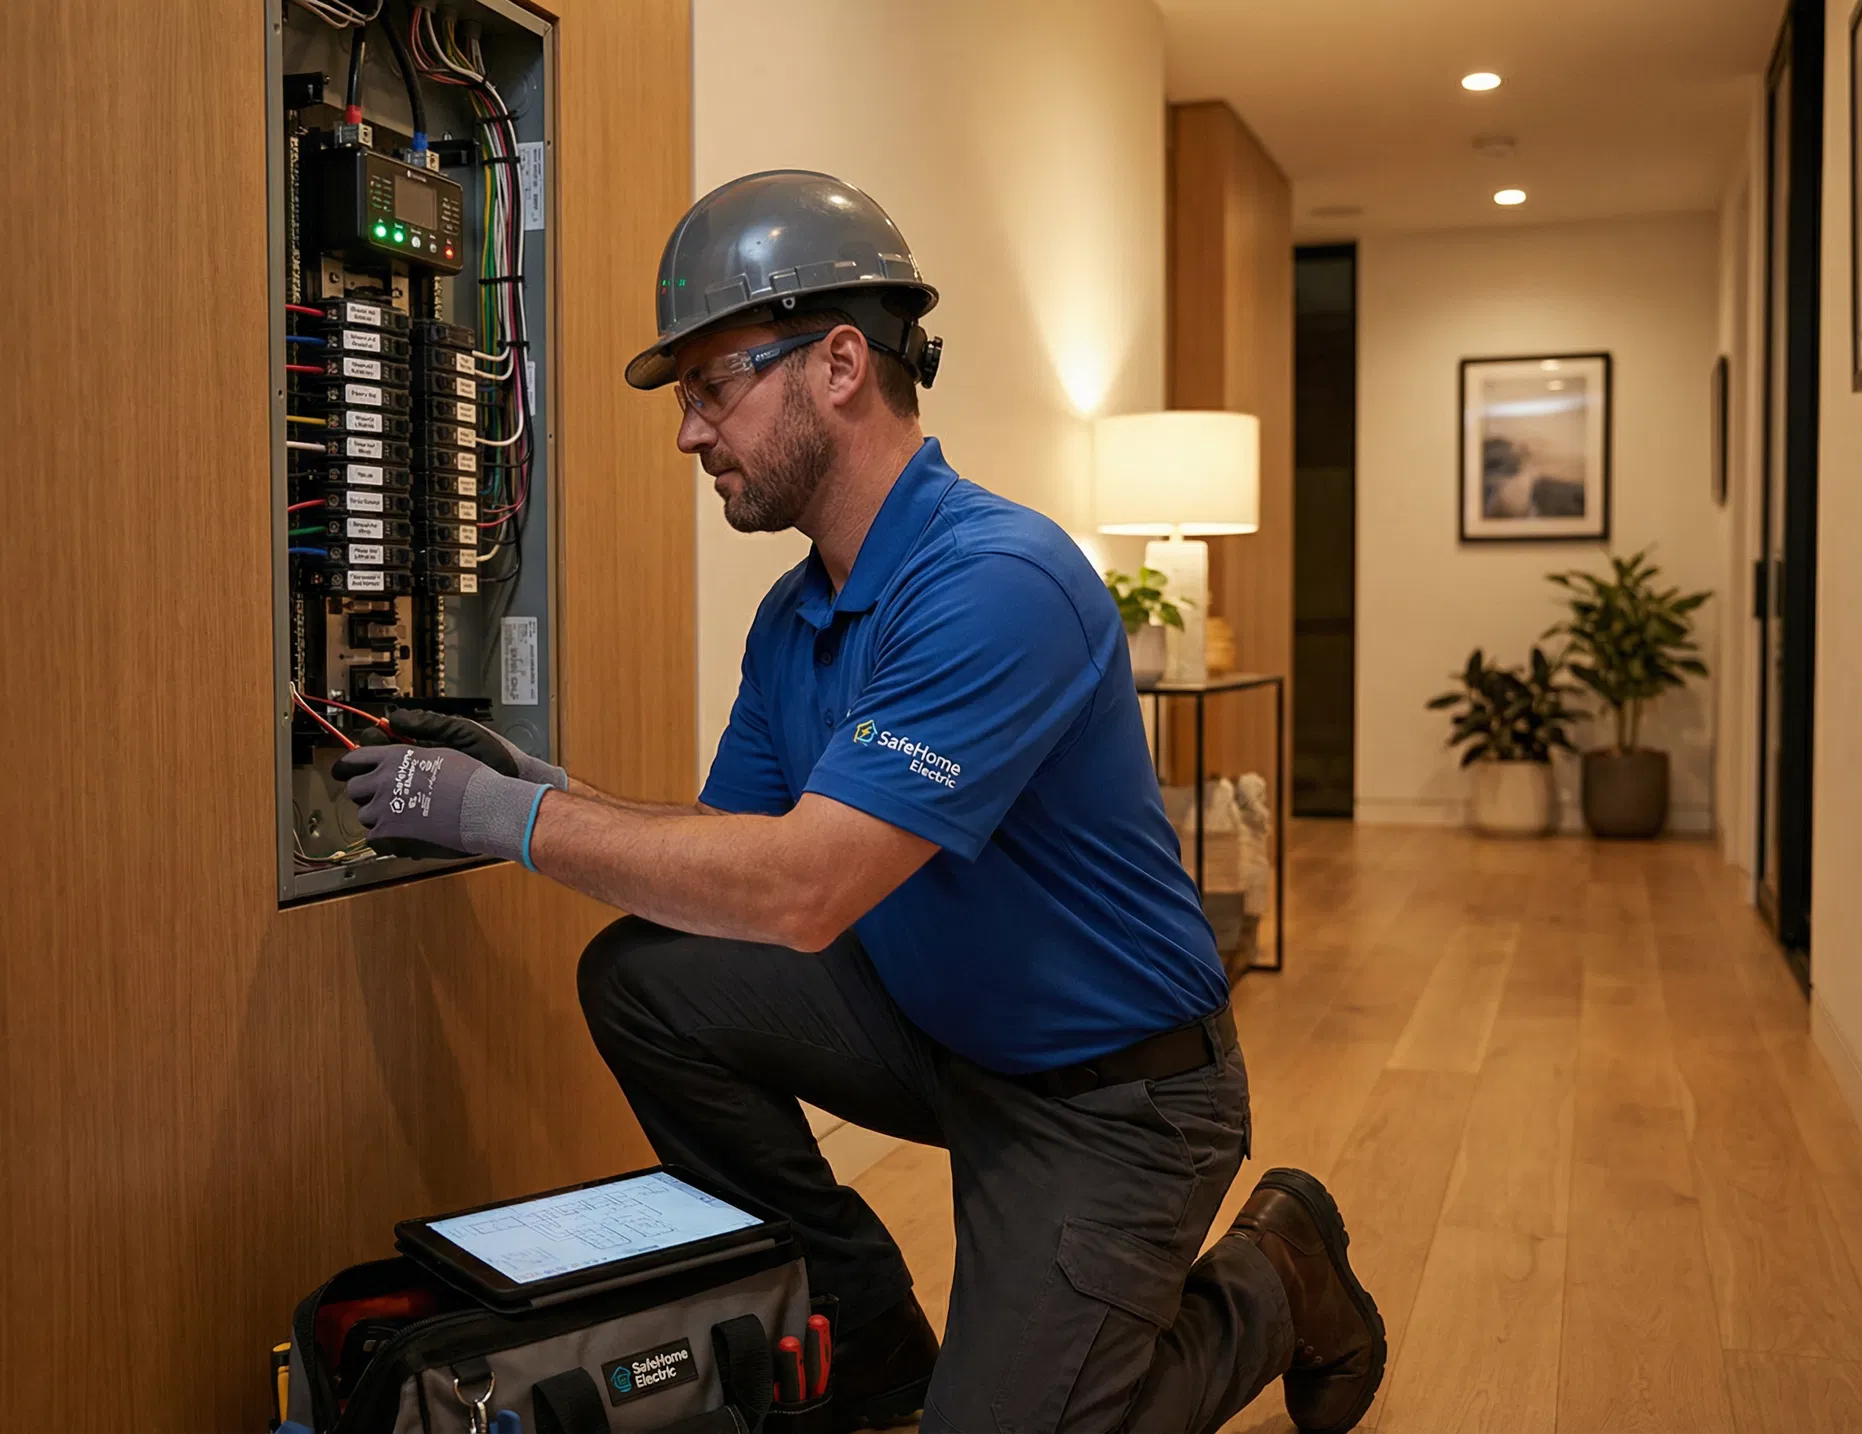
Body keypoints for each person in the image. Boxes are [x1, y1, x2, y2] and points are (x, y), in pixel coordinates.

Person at [337, 170, 1386, 1434]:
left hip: (1114, 1100)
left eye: (713, 386)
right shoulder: (798, 615)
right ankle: (870, 1328)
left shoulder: (999, 582)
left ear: (839, 364)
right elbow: (733, 855)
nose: (688, 433)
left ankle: (1279, 1272)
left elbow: (803, 886)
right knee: (649, 979)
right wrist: (547, 790)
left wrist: (506, 825)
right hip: (945, 1037)